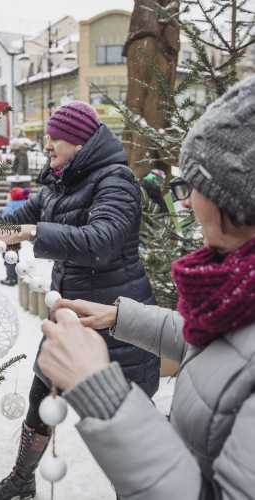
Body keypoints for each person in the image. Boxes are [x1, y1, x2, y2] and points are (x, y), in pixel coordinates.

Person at [37, 76, 255, 499]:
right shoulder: (236, 292)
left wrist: (103, 392)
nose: (186, 202)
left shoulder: (113, 181)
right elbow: (227, 351)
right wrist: (121, 316)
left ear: (239, 202)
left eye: (195, 186)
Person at [0, 101, 161, 500]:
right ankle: (22, 481)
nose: (46, 144)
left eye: (54, 137)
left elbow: (102, 243)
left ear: (79, 142)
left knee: (123, 426)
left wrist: (31, 233)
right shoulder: (58, 184)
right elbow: (14, 221)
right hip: (69, 317)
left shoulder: (115, 179)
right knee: (40, 397)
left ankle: (137, 492)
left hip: (115, 320)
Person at [0, 187, 28, 286]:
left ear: (13, 197)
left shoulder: (10, 208)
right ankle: (16, 276)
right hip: (17, 237)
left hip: (8, 237)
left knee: (8, 257)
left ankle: (11, 278)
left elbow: (3, 222)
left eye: (9, 195)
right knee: (15, 257)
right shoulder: (24, 205)